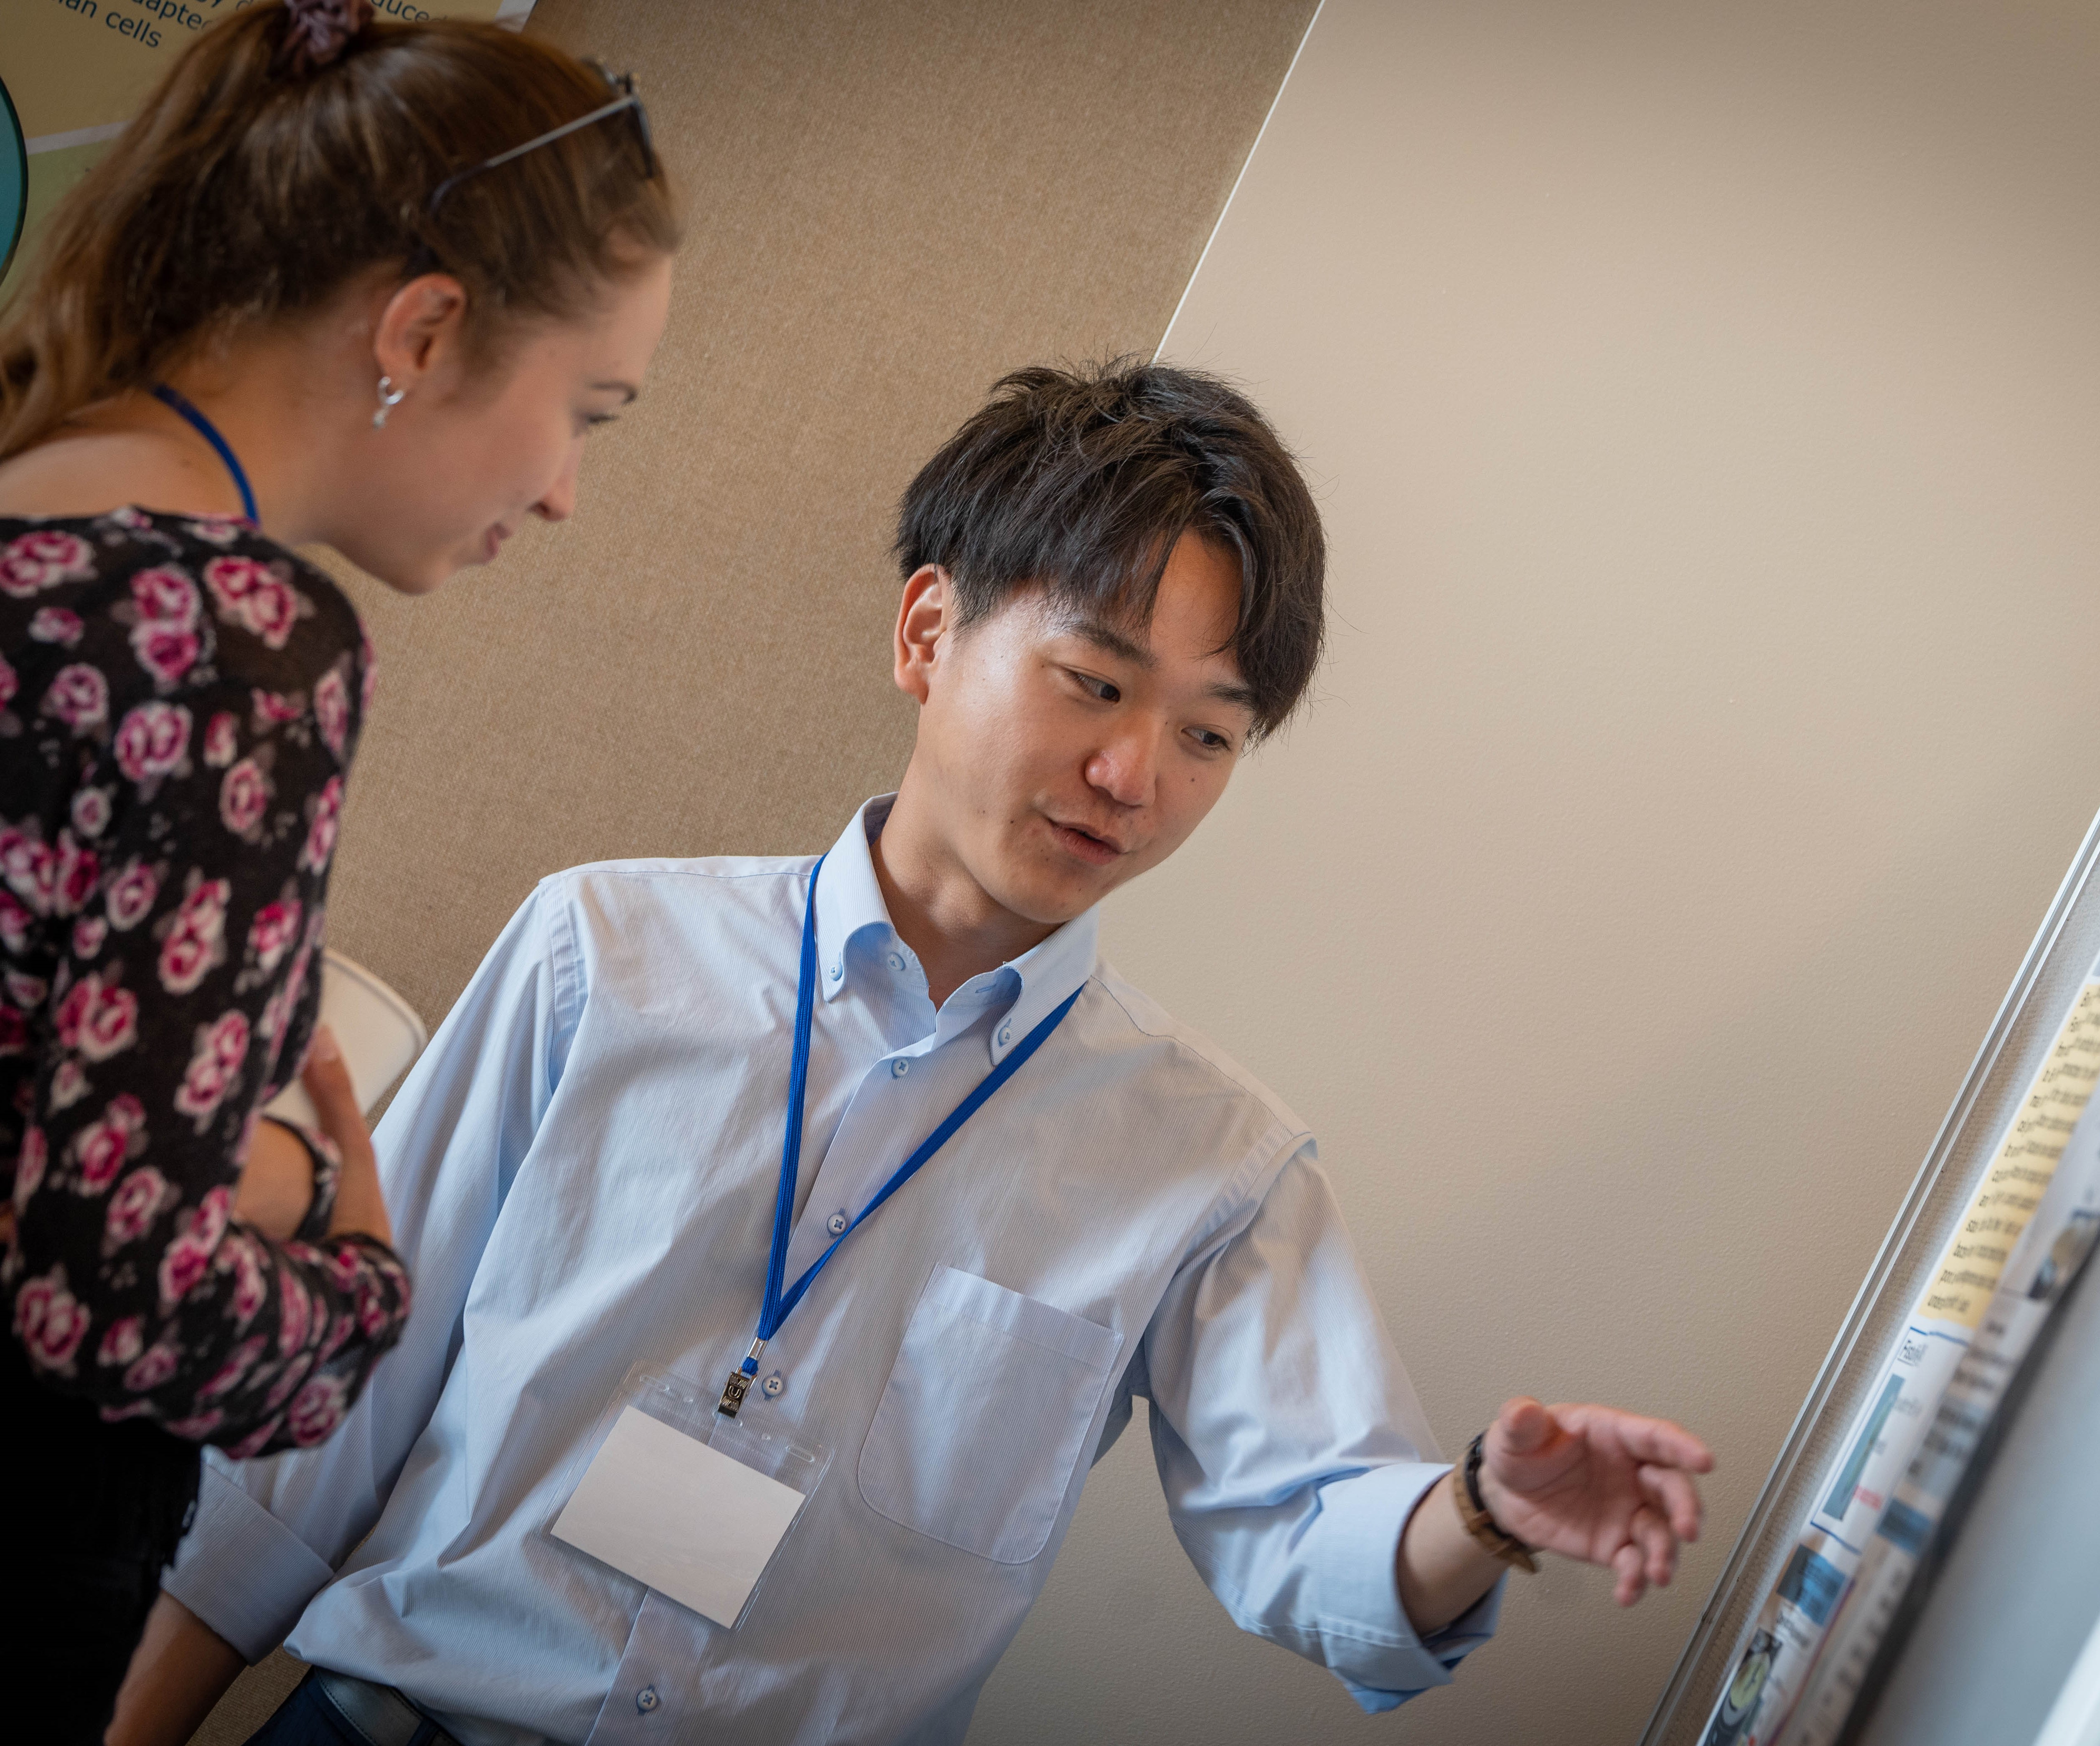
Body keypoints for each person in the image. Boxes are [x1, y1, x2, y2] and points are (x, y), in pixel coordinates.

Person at [123, 361, 1714, 1746]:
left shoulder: (1211, 1163)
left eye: (1206, 734)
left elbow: (1316, 1528)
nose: (1132, 773)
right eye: (1095, 681)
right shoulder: (600, 951)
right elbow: (306, 1445)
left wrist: (1481, 1511)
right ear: (928, 628)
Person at [0, 1, 677, 1734]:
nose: (566, 492)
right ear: (425, 330)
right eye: (586, 409)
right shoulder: (237, 641)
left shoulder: (27, 503)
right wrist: (344, 1273)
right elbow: (109, 1287)